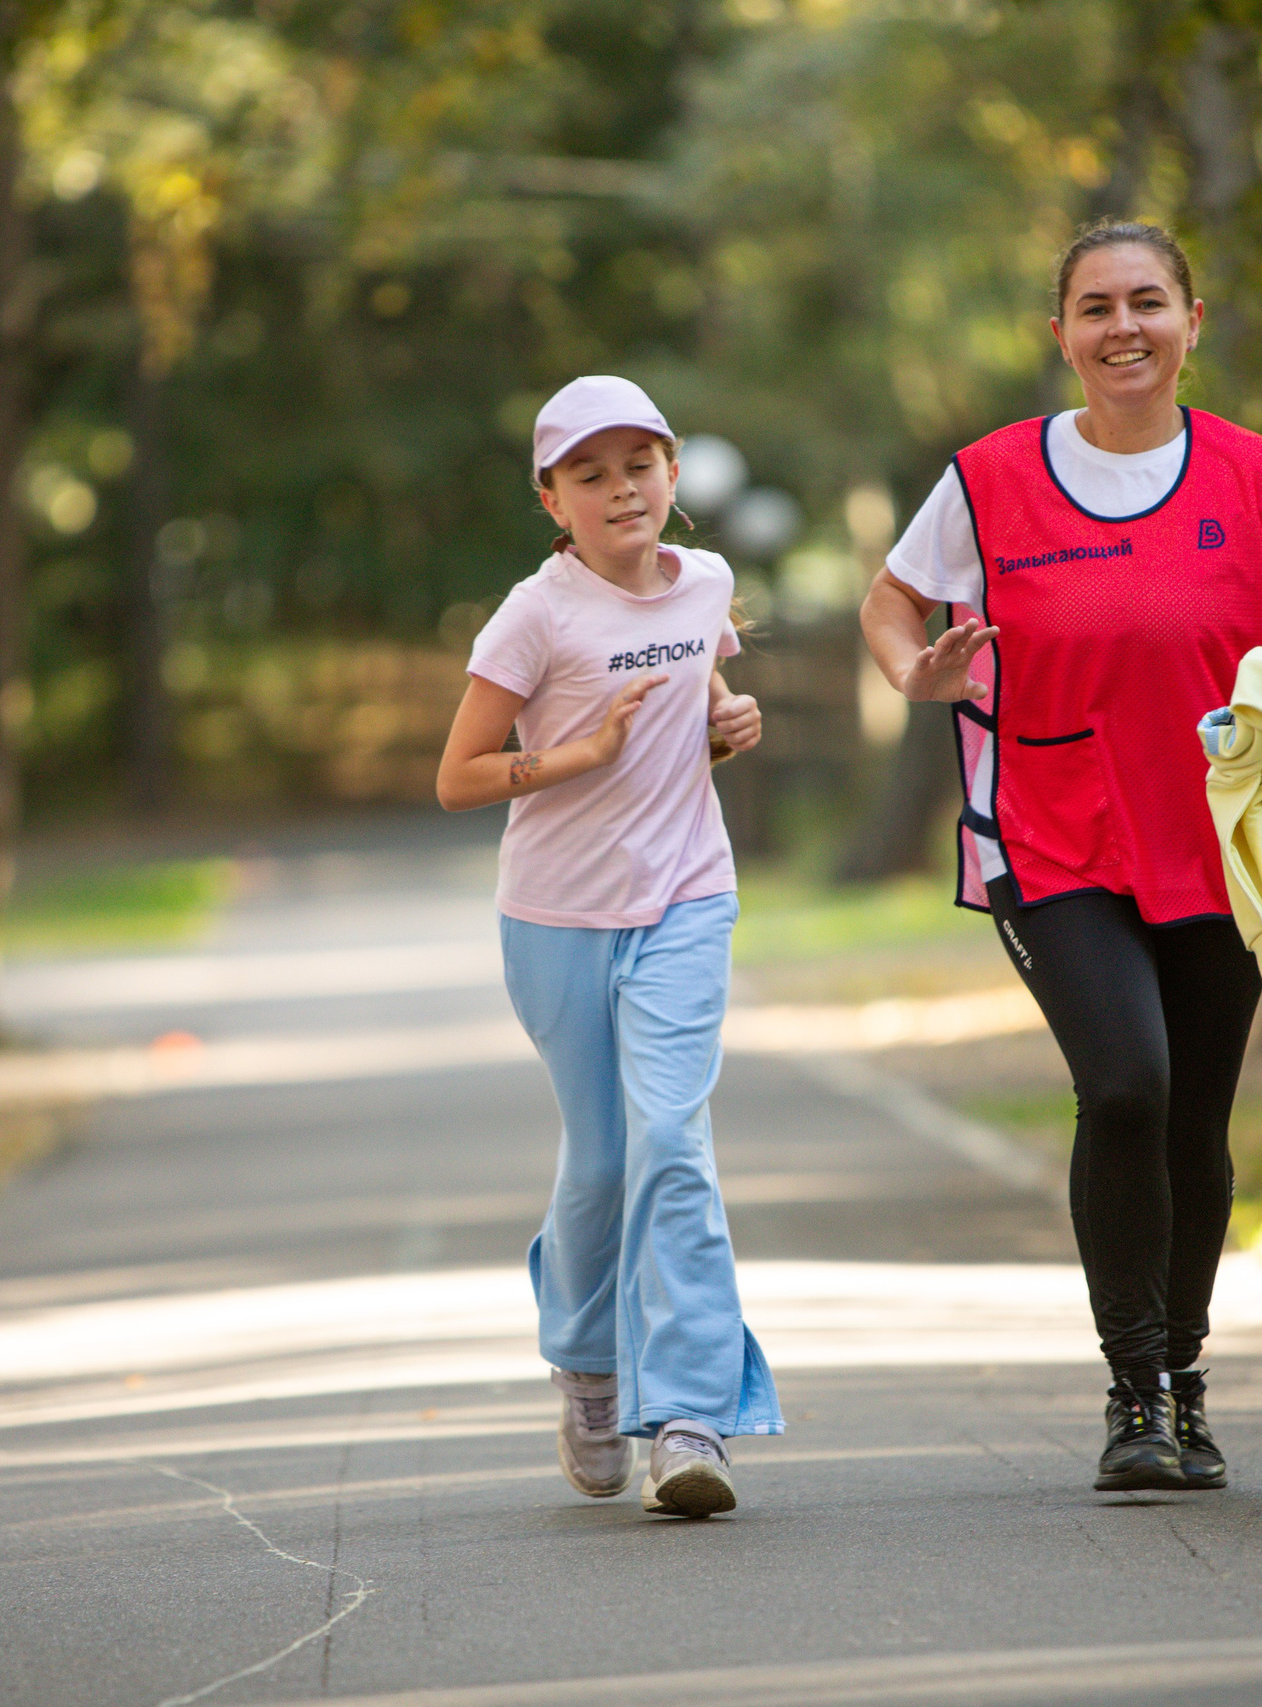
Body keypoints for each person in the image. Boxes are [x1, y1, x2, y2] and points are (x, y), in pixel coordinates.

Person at [859, 219, 1262, 1493]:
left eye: (1147, 302)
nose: (1122, 327)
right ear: (1061, 336)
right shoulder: (988, 479)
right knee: (1125, 1085)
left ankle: (1183, 1385)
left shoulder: (1260, 478)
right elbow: (889, 599)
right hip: (1051, 828)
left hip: (1219, 844)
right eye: (1095, 307)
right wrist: (910, 673)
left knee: (1194, 1115)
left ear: (1193, 322)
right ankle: (1130, 1390)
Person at [437, 375, 783, 1518]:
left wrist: (730, 720)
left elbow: (698, 691)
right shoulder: (532, 616)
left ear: (672, 475)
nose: (619, 488)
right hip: (555, 921)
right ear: (553, 500)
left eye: (638, 464)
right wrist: (576, 756)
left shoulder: (709, 586)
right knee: (600, 1161)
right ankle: (586, 1367)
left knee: (673, 1140)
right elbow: (459, 777)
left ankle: (688, 1420)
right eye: (589, 474)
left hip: (687, 896)